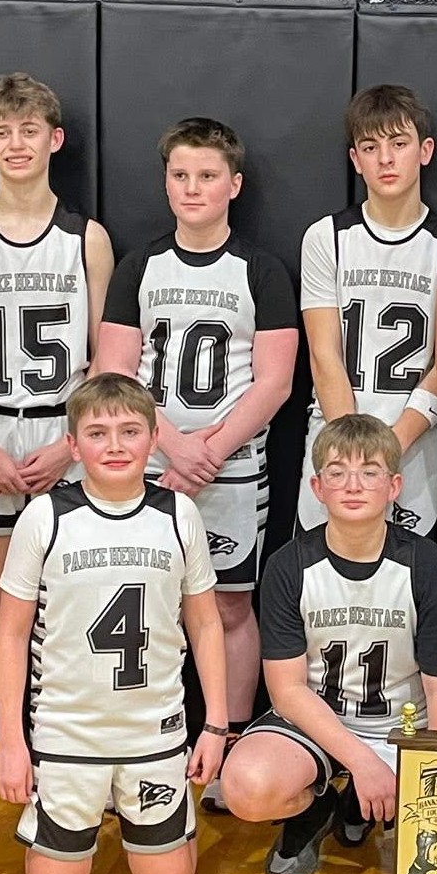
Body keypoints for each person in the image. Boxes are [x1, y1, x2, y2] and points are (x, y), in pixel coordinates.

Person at [96, 118, 299, 806]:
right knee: (146, 598)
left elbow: (274, 379)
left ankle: (231, 735)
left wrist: (209, 450)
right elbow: (113, 371)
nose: (192, 187)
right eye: (180, 175)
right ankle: (142, 738)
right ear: (165, 182)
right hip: (148, 464)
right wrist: (172, 444)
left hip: (233, 470)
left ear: (233, 184)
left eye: (207, 175)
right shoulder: (140, 265)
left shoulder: (261, 269)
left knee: (231, 602)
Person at [0, 73, 115, 805]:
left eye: (29, 130)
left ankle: (66, 731)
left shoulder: (86, 238)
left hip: (60, 429)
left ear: (54, 139)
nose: (17, 144)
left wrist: (73, 444)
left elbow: (108, 354)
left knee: (71, 593)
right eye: (3, 132)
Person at [0, 373, 228, 874]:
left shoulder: (178, 514)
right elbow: (9, 633)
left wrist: (216, 722)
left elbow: (207, 624)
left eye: (130, 431)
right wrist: (11, 740)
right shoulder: (46, 516)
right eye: (97, 433)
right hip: (69, 734)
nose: (116, 445)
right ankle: (81, 822)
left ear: (153, 439)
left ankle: (144, 825)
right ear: (72, 446)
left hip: (153, 730)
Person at [218, 414, 437, 874]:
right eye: (337, 472)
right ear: (317, 486)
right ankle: (318, 808)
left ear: (393, 486)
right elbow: (287, 691)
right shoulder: (289, 566)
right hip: (317, 723)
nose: (353, 485)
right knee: (245, 788)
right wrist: (363, 763)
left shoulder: (427, 566)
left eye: (369, 471)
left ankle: (363, 802)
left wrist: (435, 770)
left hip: (400, 725)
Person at [297, 85, 437, 538]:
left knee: (407, 585)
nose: (385, 159)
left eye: (398, 144)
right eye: (370, 147)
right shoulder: (327, 237)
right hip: (335, 435)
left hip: (414, 441)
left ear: (424, 151)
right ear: (355, 159)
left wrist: (392, 446)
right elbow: (324, 356)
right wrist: (354, 456)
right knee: (318, 581)